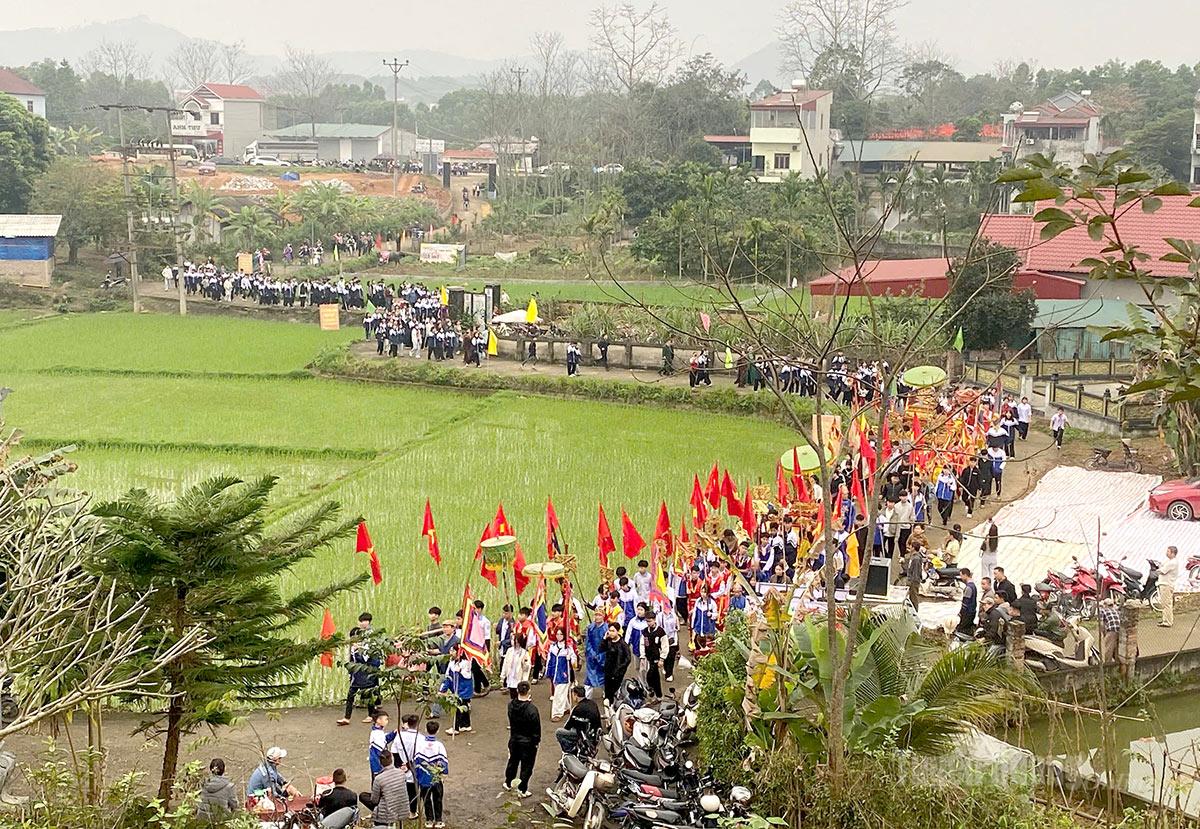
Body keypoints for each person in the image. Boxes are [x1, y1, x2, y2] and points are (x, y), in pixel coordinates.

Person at [338, 612, 380, 726]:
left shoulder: (369, 638)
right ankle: (347, 717)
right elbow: (352, 660)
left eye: (363, 621)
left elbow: (367, 657)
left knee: (368, 693)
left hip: (366, 671)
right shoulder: (356, 645)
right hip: (356, 674)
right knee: (351, 694)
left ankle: (371, 715)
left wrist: (359, 649)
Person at [504, 681, 541, 798]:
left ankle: (508, 782)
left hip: (514, 739)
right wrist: (536, 742)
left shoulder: (511, 705)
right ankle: (522, 788)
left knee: (513, 762)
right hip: (528, 742)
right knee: (527, 766)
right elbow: (536, 729)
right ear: (529, 691)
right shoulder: (532, 710)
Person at [415, 720, 449, 828]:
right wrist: (443, 774)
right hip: (436, 777)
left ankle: (429, 819)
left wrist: (418, 775)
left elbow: (416, 761)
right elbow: (443, 762)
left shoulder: (420, 745)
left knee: (426, 799)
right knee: (438, 798)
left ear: (426, 729)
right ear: (438, 731)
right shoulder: (439, 745)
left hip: (424, 777)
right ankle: (438, 820)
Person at [364, 752, 408, 828]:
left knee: (363, 796)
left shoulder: (379, 779)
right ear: (392, 759)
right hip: (402, 809)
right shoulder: (402, 774)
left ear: (380, 763)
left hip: (387, 812)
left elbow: (374, 800)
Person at [555, 685, 602, 754]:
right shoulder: (592, 703)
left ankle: (569, 751)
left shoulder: (578, 709)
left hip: (584, 735)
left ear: (575, 695)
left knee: (559, 732)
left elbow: (568, 726)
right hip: (595, 733)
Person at [545, 630, 576, 721]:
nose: (558, 636)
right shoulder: (553, 647)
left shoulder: (568, 648)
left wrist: (570, 659)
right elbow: (549, 660)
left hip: (564, 674)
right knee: (561, 693)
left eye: (561, 634)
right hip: (554, 673)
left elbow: (574, 661)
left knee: (558, 694)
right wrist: (548, 671)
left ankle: (557, 713)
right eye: (557, 634)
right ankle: (566, 707)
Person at [441, 649, 474, 735]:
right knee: (464, 706)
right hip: (456, 688)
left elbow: (467, 675)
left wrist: (460, 671)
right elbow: (448, 676)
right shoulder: (451, 662)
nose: (450, 653)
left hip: (464, 689)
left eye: (453, 651)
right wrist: (443, 689)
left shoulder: (466, 662)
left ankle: (456, 727)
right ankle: (466, 725)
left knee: (459, 707)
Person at [601, 622, 632, 704]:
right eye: (609, 630)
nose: (611, 633)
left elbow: (628, 659)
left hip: (617, 672)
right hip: (608, 670)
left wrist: (620, 670)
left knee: (613, 691)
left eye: (613, 631)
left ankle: (613, 707)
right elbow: (601, 649)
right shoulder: (608, 641)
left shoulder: (623, 644)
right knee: (607, 692)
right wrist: (604, 639)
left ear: (617, 631)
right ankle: (608, 710)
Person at [583, 610, 607, 699]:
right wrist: (591, 653)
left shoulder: (606, 628)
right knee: (589, 677)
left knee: (603, 677)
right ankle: (587, 697)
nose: (597, 617)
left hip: (602, 657)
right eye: (596, 615)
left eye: (599, 615)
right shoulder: (591, 627)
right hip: (591, 657)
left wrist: (601, 655)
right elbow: (588, 642)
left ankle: (607, 693)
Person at [368, 711, 395, 780]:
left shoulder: (379, 731)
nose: (387, 721)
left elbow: (385, 740)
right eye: (385, 719)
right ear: (378, 720)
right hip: (378, 765)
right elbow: (379, 751)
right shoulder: (376, 734)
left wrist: (393, 734)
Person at [1159, 546, 1179, 627]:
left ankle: (1168, 621)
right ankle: (1165, 619)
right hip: (1166, 584)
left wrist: (1157, 570)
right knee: (1166, 603)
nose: (1166, 553)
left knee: (1166, 603)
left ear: (1173, 553)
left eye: (1168, 551)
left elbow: (1163, 571)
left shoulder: (1172, 563)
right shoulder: (1169, 561)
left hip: (1166, 584)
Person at [1098, 598, 1121, 662]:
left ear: (1105, 605)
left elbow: (1101, 623)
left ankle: (1108, 665)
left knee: (1108, 649)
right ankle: (1117, 663)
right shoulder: (1116, 610)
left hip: (1112, 630)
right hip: (1120, 630)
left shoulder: (1103, 610)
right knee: (1117, 649)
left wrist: (1103, 634)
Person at [957, 569, 978, 635]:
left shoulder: (969, 588)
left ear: (965, 575)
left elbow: (965, 603)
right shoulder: (973, 586)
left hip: (968, 612)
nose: (961, 578)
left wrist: (961, 612)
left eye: (961, 575)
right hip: (972, 611)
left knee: (962, 630)